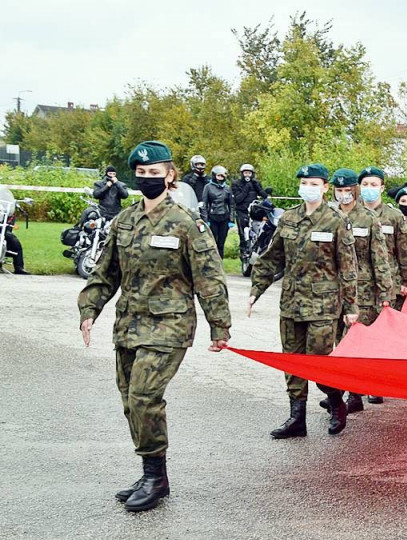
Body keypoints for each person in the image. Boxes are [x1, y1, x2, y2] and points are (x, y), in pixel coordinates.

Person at [77, 140, 231, 512]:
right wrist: (89, 309)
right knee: (131, 400)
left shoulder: (186, 224)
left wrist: (219, 326)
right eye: (141, 174)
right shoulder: (125, 221)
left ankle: (155, 479)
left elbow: (209, 278)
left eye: (154, 173)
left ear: (170, 175)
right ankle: (152, 470)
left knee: (145, 397)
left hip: (170, 326)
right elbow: (106, 272)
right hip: (129, 325)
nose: (147, 179)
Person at [247, 164, 358, 438]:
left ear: (325, 187)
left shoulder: (335, 221)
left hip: (323, 307)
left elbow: (347, 267)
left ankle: (336, 403)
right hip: (291, 304)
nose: (308, 187)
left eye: (314, 183)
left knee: (319, 362)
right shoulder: (288, 219)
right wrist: (255, 291)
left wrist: (351, 307)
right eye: (304, 182)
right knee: (292, 362)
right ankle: (297, 418)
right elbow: (272, 258)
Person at [321, 167, 394, 414]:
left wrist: (385, 293)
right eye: (338, 190)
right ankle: (344, 393)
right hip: (332, 290)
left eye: (347, 190)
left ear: (354, 190)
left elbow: (380, 259)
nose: (343, 194)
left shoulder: (369, 218)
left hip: (363, 291)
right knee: (335, 342)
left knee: (352, 343)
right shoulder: (328, 216)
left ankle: (348, 393)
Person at [360, 165, 407, 404]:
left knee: (381, 336)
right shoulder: (351, 214)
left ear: (382, 188)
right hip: (357, 285)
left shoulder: (393, 217)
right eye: (365, 184)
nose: (369, 189)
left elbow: (405, 250)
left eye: (374, 184)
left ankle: (376, 384)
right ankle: (352, 388)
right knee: (354, 336)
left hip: (387, 285)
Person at [231, 163, 269, 256]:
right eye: (245, 173)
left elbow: (264, 196)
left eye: (249, 173)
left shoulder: (255, 183)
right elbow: (237, 199)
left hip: (254, 211)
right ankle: (244, 252)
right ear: (242, 174)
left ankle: (257, 250)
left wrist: (258, 187)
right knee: (243, 233)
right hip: (242, 210)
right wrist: (246, 188)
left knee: (258, 231)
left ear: (252, 174)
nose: (247, 175)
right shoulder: (236, 184)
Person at [200, 165, 236, 258]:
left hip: (224, 218)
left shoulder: (227, 188)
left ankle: (220, 262)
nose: (220, 178)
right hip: (213, 217)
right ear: (214, 175)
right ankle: (212, 261)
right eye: (218, 175)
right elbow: (204, 204)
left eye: (222, 176)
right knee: (213, 242)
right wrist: (205, 219)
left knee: (221, 242)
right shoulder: (208, 187)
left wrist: (231, 220)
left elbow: (231, 205)